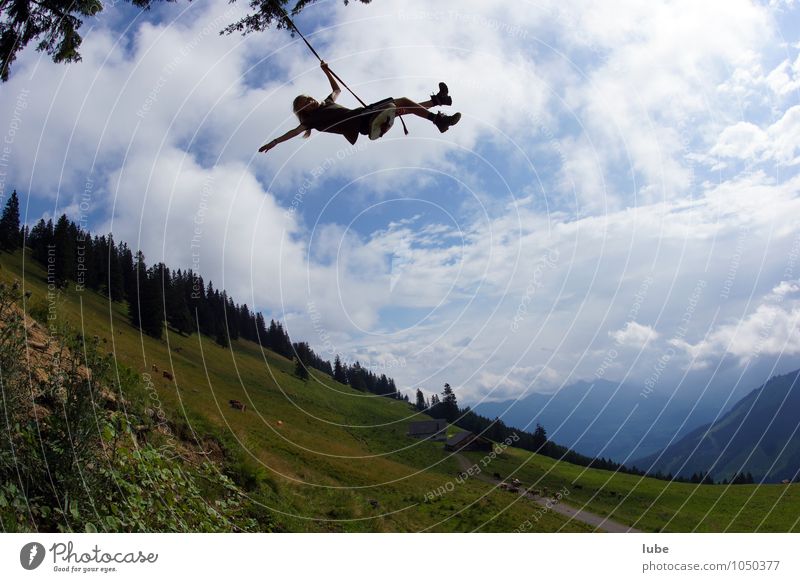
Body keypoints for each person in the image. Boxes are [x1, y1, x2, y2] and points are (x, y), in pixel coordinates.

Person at [258, 61, 461, 153]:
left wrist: (326, 71)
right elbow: (294, 131)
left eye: (309, 98)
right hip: (362, 123)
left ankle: (439, 105)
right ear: (305, 111)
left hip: (363, 114)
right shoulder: (312, 120)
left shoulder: (327, 103)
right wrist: (275, 142)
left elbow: (337, 90)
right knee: (398, 105)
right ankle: (439, 118)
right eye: (306, 104)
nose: (311, 101)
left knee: (405, 103)